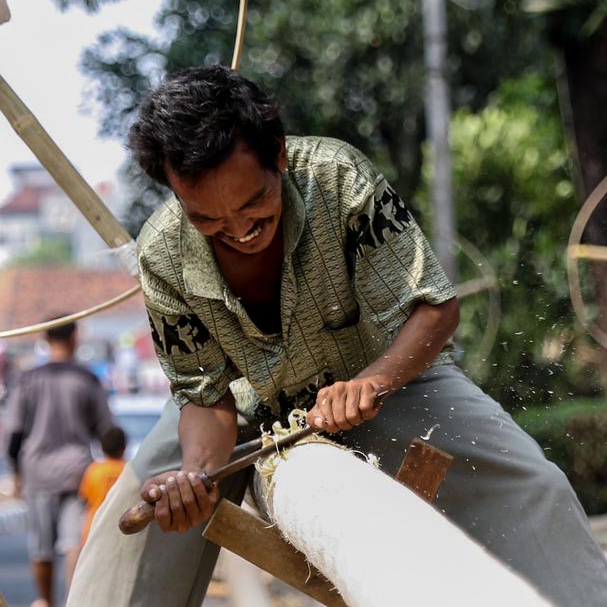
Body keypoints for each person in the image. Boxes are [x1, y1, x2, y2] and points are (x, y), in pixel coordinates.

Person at [69, 65, 607, 606]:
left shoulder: (339, 178)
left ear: (279, 153)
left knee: (534, 487)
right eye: (208, 219)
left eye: (254, 203)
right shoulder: (161, 254)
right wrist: (195, 476)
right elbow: (205, 400)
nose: (239, 230)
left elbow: (435, 309)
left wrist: (372, 382)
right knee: (126, 542)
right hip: (246, 414)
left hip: (390, 381)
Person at [3, 320, 115, 607]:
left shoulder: (27, 380)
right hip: (78, 472)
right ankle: (73, 602)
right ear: (74, 337)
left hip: (37, 473)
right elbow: (107, 431)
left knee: (41, 547)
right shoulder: (87, 379)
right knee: (74, 542)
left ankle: (45, 601)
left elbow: (13, 432)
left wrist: (15, 473)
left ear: (46, 337)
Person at [78, 426, 127, 547]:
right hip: (121, 530)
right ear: (124, 447)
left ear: (101, 447)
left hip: (94, 528)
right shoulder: (129, 470)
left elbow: (84, 498)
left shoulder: (94, 470)